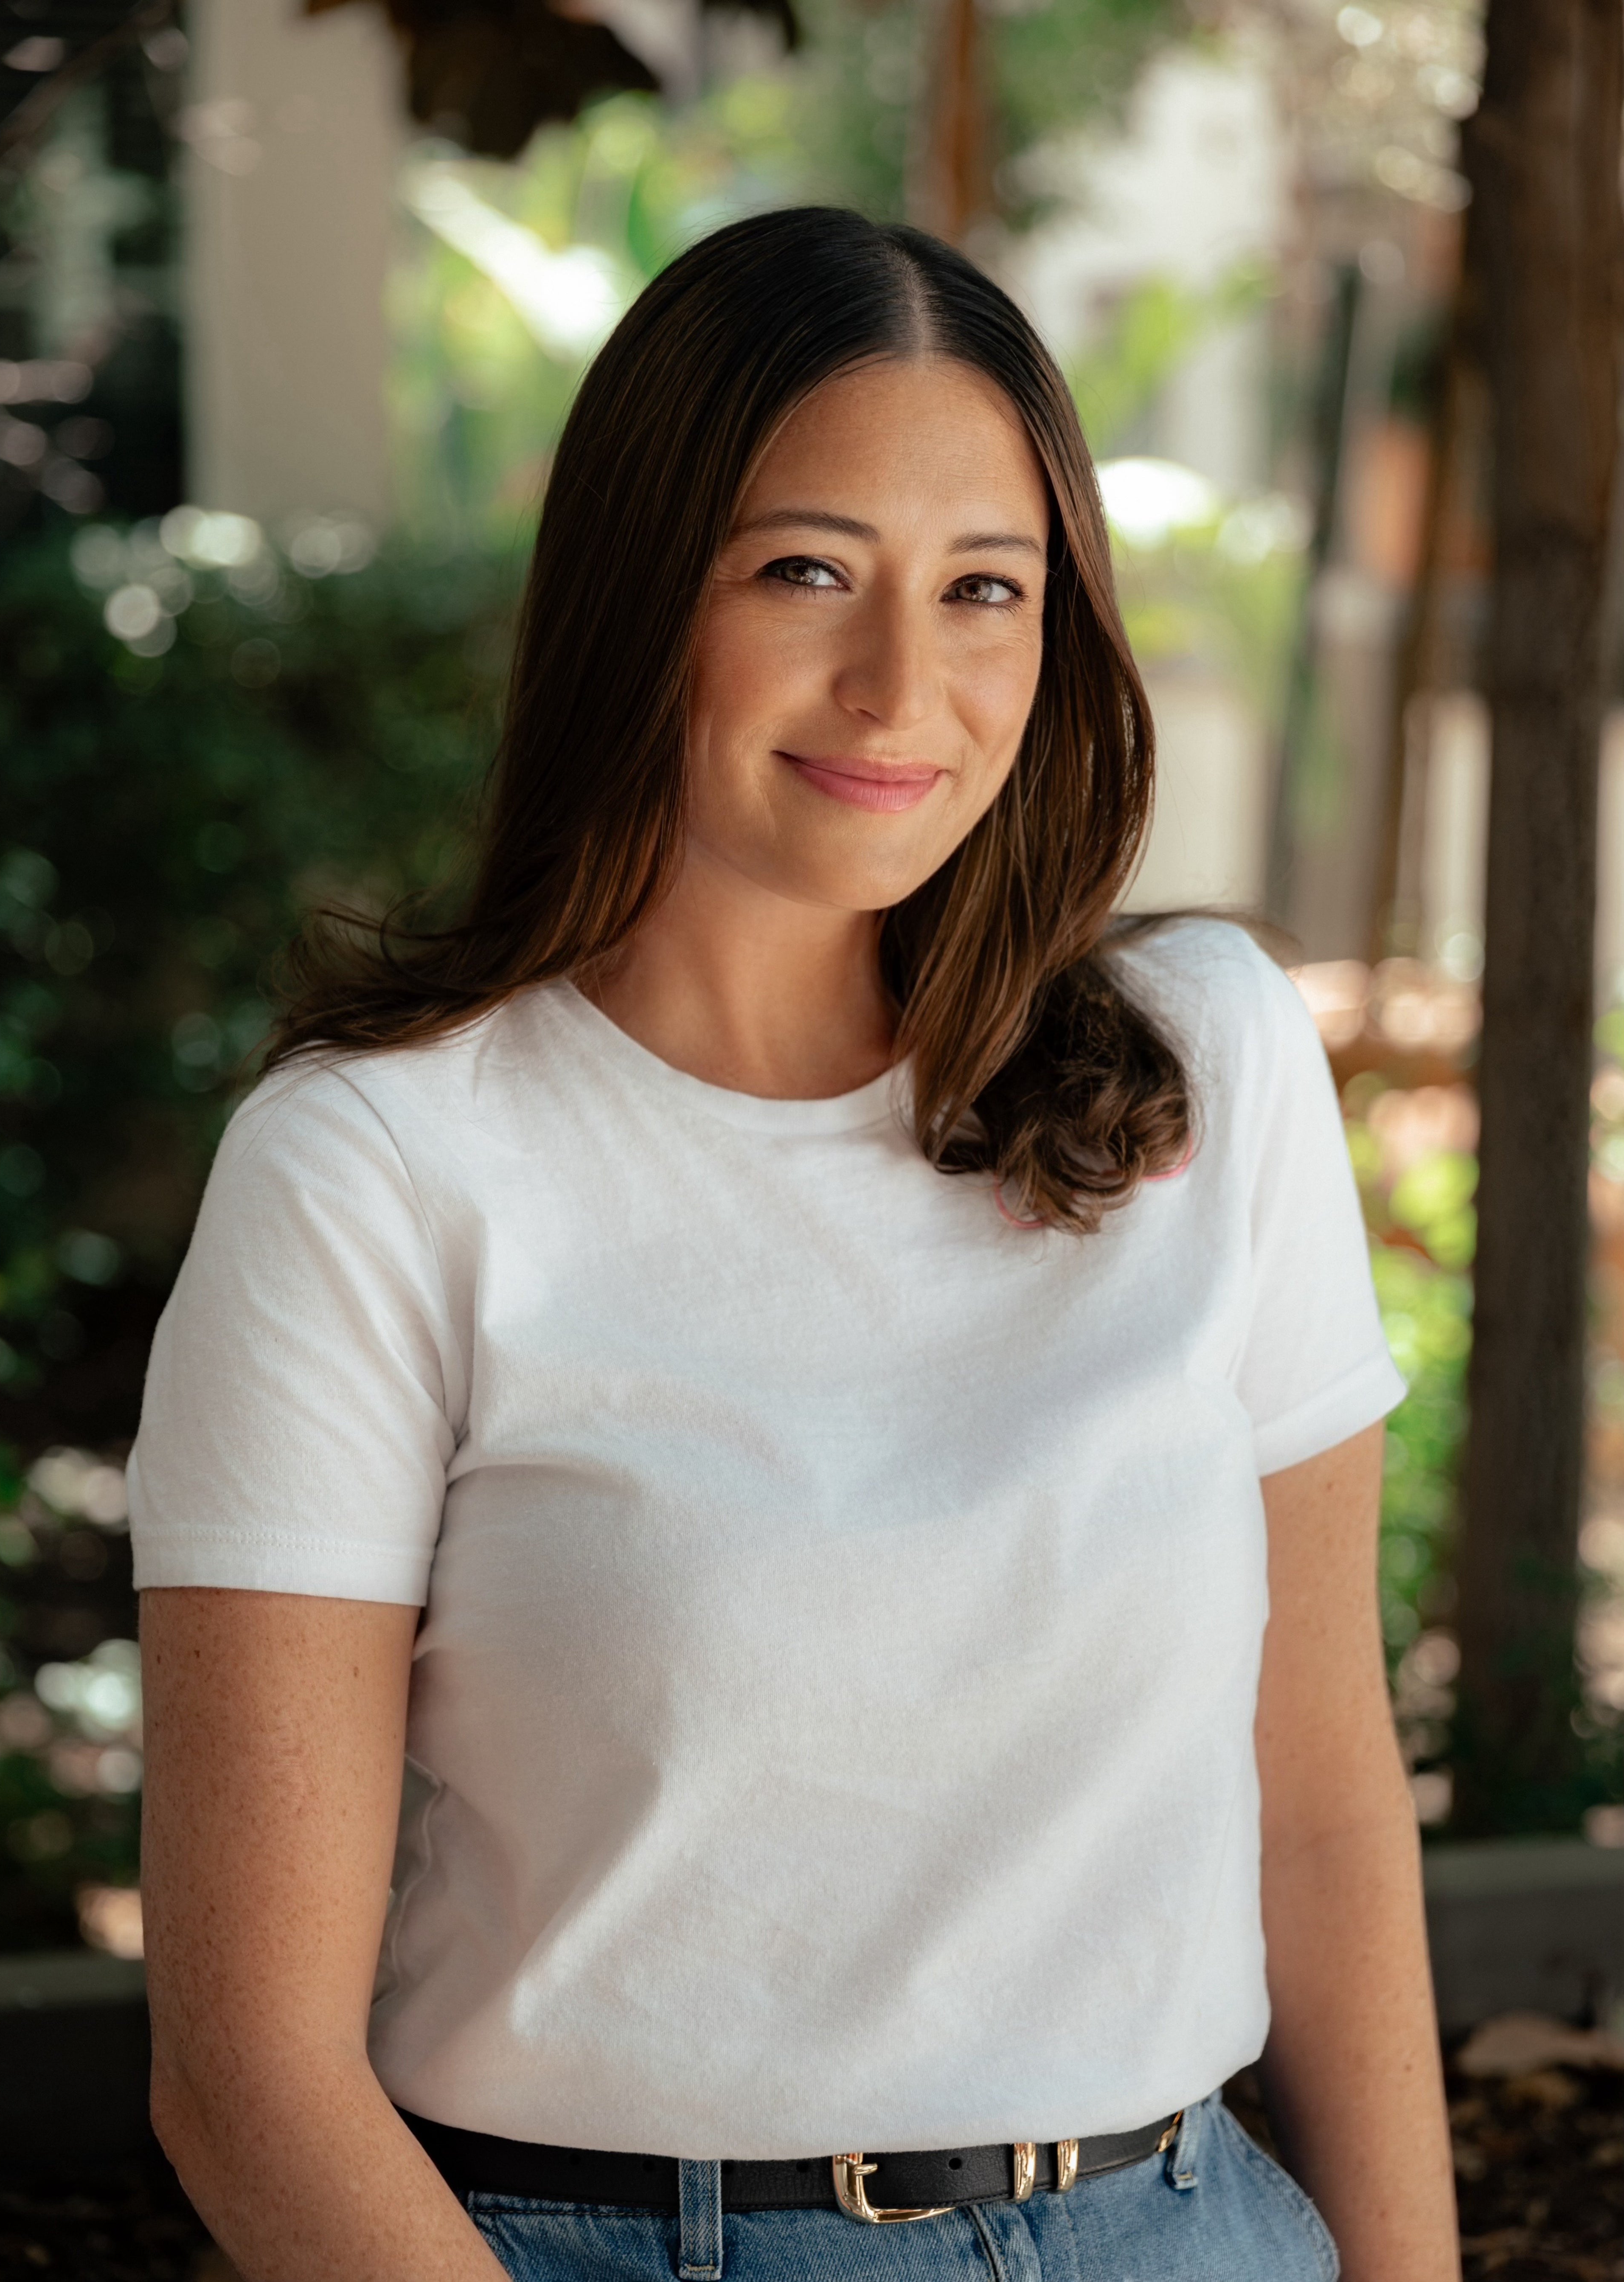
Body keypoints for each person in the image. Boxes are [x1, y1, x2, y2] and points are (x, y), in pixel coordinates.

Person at [129, 207, 1459, 2282]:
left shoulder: (1216, 1061)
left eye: (985, 589)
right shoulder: (378, 1168)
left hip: (1188, 2232)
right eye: (805, 570)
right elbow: (247, 2073)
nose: (902, 685)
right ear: (644, 590)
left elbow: (1322, 1804)